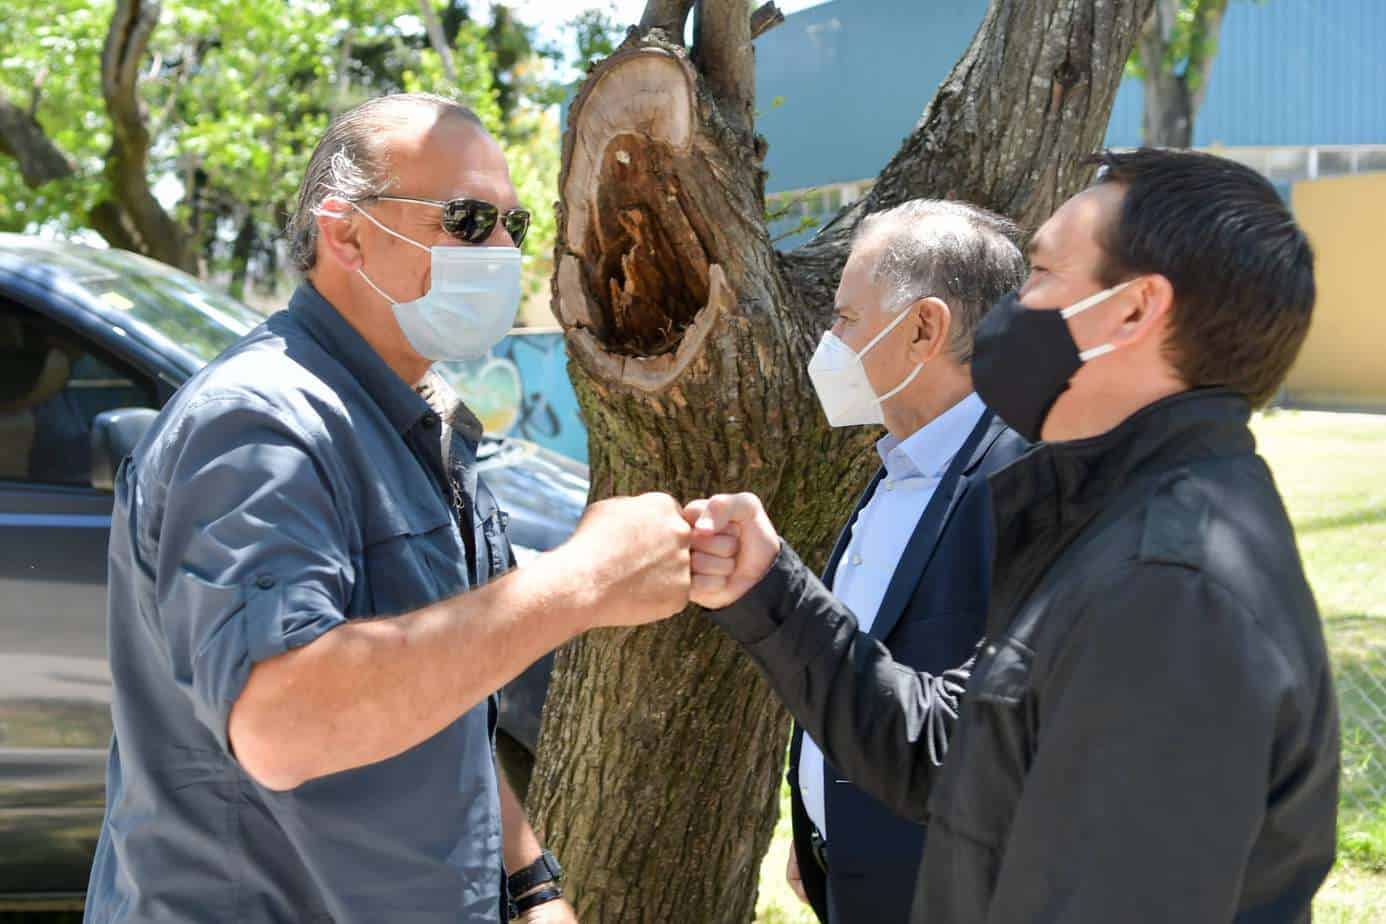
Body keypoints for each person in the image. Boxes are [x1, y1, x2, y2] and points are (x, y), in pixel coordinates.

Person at [85, 93, 693, 924]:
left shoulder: (411, 420)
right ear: (346, 233)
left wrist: (531, 887)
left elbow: (440, 696)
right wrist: (581, 582)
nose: (504, 251)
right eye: (468, 221)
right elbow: (284, 722)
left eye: (514, 225)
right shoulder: (259, 424)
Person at [687, 149, 1340, 922]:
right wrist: (769, 587)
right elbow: (944, 752)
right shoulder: (1107, 522)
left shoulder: (1171, 586)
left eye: (1040, 274)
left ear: (1134, 310)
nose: (1009, 310)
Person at [777, 199, 1027, 923]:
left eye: (845, 318)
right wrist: (825, 826)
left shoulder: (1022, 485)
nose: (829, 341)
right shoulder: (901, 464)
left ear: (923, 328)